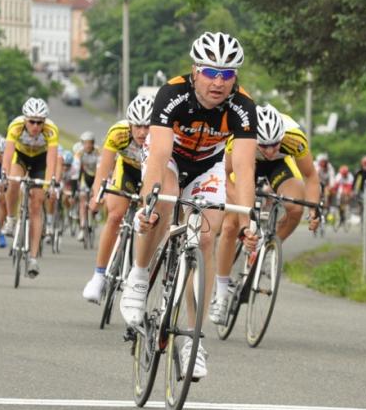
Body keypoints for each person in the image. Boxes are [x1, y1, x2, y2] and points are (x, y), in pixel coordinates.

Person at [119, 31, 258, 379]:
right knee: (163, 206)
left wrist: (247, 222)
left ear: (235, 78)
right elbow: (160, 155)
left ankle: (194, 341)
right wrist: (148, 203)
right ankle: (138, 276)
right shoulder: (172, 94)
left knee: (206, 239)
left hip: (207, 165)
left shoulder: (243, 107)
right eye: (211, 72)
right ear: (195, 71)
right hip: (169, 160)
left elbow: (243, 168)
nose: (218, 82)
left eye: (227, 75)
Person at [211, 104, 321, 324]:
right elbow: (224, 177)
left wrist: (313, 207)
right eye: (265, 146)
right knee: (231, 225)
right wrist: (244, 206)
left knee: (295, 206)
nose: (270, 150)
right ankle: (221, 292)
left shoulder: (294, 139)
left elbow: (310, 176)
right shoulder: (240, 139)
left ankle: (269, 248)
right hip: (246, 162)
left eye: (275, 144)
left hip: (278, 166)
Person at [82, 95, 152, 302]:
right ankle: (98, 276)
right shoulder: (118, 133)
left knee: (147, 220)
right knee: (114, 215)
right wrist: (97, 195)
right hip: (127, 170)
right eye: (137, 126)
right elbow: (103, 169)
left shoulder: (160, 136)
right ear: (129, 124)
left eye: (147, 126)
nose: (142, 132)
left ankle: (139, 273)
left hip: (151, 173)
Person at [2, 97, 59, 278]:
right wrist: (4, 174)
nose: (35, 126)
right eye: (32, 122)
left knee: (36, 205)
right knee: (12, 181)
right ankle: (11, 218)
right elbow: (8, 153)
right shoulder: (15, 126)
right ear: (25, 120)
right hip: (21, 157)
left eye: (39, 122)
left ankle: (33, 258)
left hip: (40, 162)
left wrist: (49, 184)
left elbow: (51, 161)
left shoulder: (51, 131)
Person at [74, 131, 99, 241]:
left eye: (90, 143)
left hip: (96, 175)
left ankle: (94, 214)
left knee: (96, 197)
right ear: (82, 144)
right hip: (85, 175)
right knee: (83, 199)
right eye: (86, 143)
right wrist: (77, 185)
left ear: (93, 144)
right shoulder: (79, 153)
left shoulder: (98, 152)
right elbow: (76, 170)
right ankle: (82, 226)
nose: (88, 145)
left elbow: (101, 169)